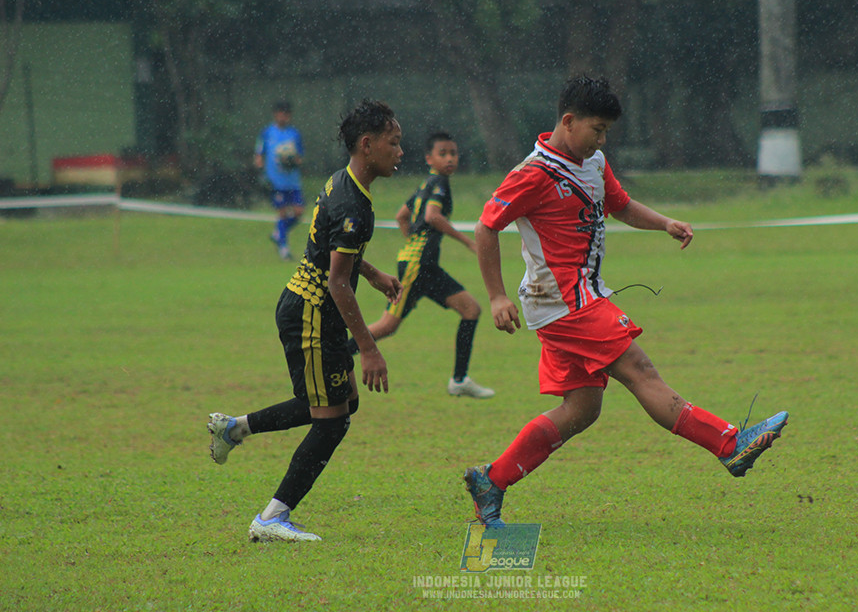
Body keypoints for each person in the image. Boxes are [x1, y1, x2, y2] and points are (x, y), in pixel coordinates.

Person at [463, 76, 789, 527]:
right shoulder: (533, 174)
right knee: (641, 371)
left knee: (582, 410)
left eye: (606, 132)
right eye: (596, 129)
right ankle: (730, 445)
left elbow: (619, 205)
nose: (601, 140)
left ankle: (491, 480)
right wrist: (496, 295)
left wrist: (665, 223)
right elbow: (485, 226)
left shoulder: (593, 161)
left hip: (577, 298)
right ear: (568, 121)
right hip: (564, 302)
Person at [208, 99, 404, 542]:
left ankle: (233, 427)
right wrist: (369, 349)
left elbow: (336, 252)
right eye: (393, 143)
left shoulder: (343, 182)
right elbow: (337, 282)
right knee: (332, 418)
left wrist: (371, 274)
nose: (400, 151)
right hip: (313, 315)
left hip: (315, 312)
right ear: (367, 145)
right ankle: (271, 518)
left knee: (341, 402)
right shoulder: (354, 202)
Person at [346, 131, 494, 399]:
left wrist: (414, 242)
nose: (450, 158)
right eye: (443, 154)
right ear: (429, 158)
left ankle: (459, 380)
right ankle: (338, 356)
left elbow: (402, 216)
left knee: (471, 309)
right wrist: (468, 242)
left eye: (453, 153)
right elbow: (432, 216)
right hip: (418, 266)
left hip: (423, 265)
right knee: (387, 325)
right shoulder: (439, 183)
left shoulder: (427, 183)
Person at [255, 99, 305, 261]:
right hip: (276, 182)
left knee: (298, 212)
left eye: (286, 114)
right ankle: (284, 248)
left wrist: (291, 160)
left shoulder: (294, 134)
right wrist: (261, 171)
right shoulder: (267, 133)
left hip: (293, 181)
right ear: (275, 115)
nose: (283, 117)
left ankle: (278, 233)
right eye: (280, 114)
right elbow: (259, 156)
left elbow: (299, 158)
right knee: (282, 213)